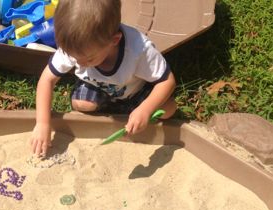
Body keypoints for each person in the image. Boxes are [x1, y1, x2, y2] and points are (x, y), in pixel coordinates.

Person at [30, 0, 177, 156]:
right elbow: (47, 80)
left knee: (169, 109)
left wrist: (145, 109)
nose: (79, 63)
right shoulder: (76, 44)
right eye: (73, 57)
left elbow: (167, 81)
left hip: (134, 91)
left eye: (89, 59)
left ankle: (130, 111)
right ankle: (115, 110)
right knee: (81, 104)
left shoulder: (138, 50)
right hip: (98, 87)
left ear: (114, 41)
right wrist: (42, 123)